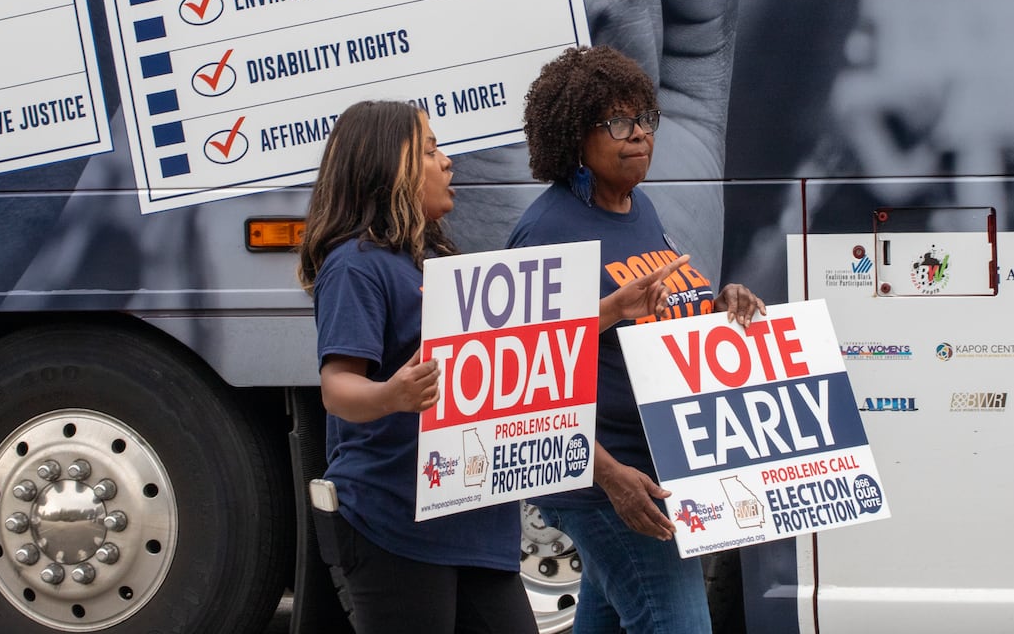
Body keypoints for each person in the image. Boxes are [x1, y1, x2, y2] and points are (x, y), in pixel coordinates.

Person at [506, 45, 766, 634]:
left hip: (658, 466)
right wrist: (610, 476)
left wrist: (722, 303)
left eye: (644, 119)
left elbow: (665, 314)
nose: (639, 136)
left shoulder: (638, 208)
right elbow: (522, 383)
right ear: (576, 135)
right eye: (617, 123)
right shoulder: (548, 232)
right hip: (607, 486)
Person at [296, 99, 538, 634]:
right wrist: (393, 395)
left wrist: (614, 308)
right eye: (430, 150)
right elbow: (337, 388)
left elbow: (523, 345)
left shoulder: (437, 261)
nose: (448, 162)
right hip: (394, 520)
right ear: (388, 170)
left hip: (475, 517)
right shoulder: (355, 267)